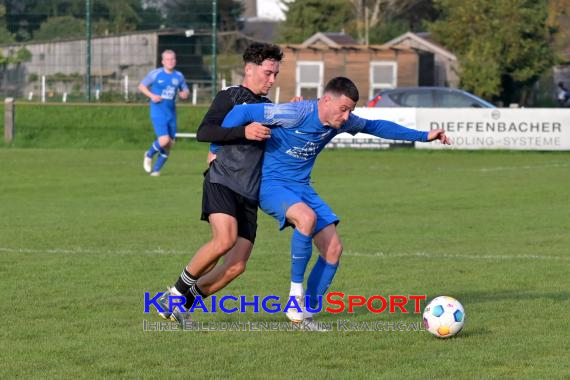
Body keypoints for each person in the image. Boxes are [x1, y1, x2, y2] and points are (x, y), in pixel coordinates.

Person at [219, 77, 451, 326]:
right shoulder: (293, 112)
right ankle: (294, 297)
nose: (346, 116)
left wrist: (424, 135)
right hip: (271, 184)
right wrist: (216, 149)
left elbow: (376, 127)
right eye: (343, 109)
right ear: (326, 100)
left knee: (333, 250)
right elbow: (241, 111)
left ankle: (304, 312)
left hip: (302, 188)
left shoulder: (341, 121)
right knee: (306, 219)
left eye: (350, 110)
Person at [155, 43, 284, 324]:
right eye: (268, 73)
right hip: (222, 180)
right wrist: (243, 131)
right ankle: (174, 293)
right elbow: (205, 131)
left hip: (250, 191)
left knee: (236, 265)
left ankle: (182, 303)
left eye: (276, 74)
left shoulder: (271, 109)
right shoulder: (231, 96)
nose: (272, 80)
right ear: (249, 69)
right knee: (224, 239)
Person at [139, 50, 190, 176]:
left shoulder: (179, 76)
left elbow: (185, 89)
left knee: (169, 144)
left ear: (175, 60)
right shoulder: (155, 74)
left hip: (171, 112)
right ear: (162, 62)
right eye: (167, 59)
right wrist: (152, 96)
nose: (170, 61)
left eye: (172, 59)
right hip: (158, 110)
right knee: (163, 140)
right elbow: (141, 86)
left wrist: (185, 94)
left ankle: (156, 170)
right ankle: (149, 154)